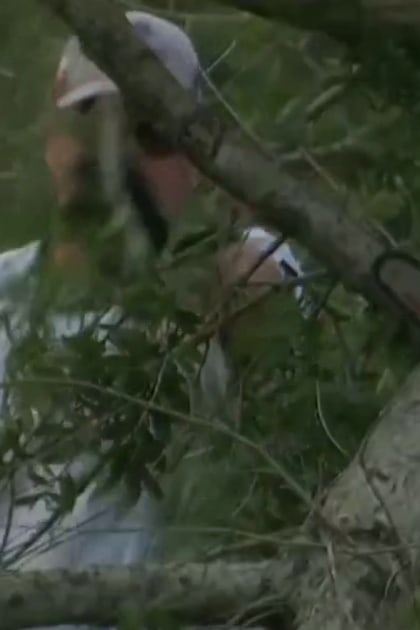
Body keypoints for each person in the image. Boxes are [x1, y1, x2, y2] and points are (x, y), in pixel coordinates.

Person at [0, 11, 305, 629]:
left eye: (149, 131)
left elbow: (276, 321)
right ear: (53, 139)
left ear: (196, 156)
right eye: (93, 121)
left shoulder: (234, 282)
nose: (116, 153)